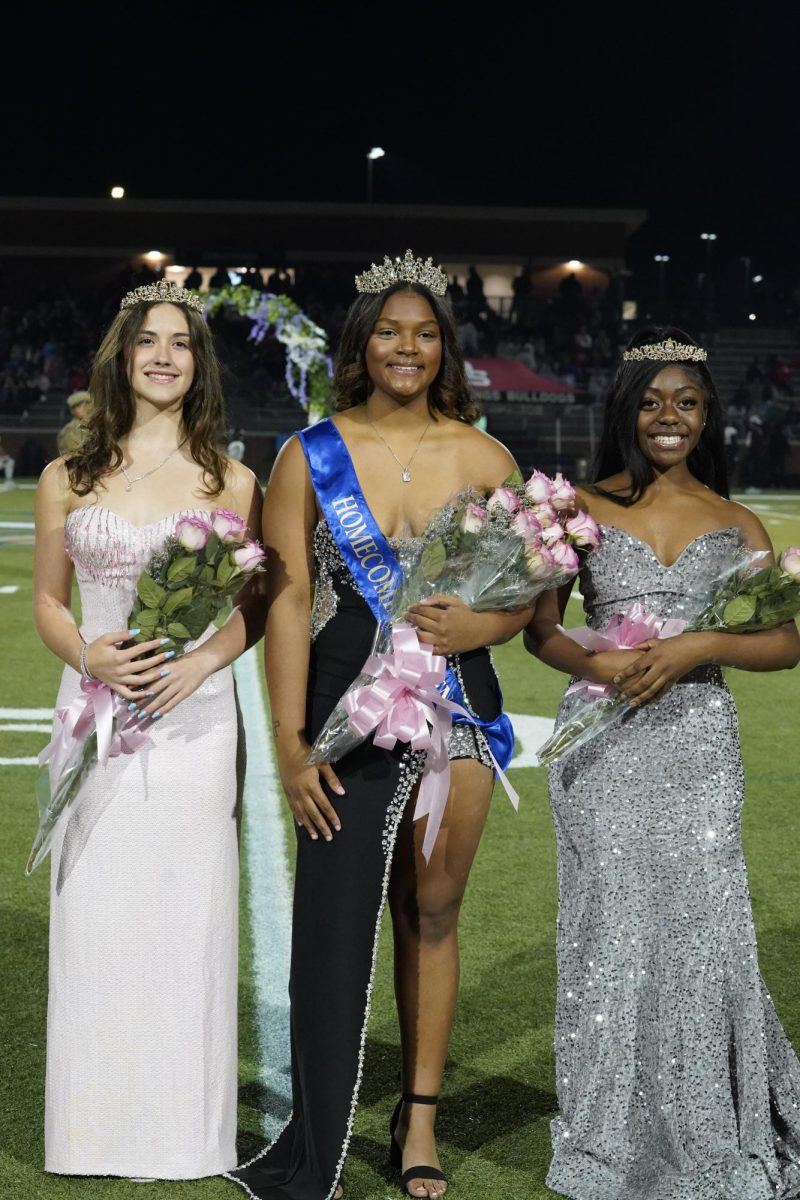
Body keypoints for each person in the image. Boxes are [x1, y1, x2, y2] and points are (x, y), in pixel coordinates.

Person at [228, 252, 532, 1200]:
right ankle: (318, 1122)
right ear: (361, 344)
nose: (408, 347)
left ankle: (419, 1120)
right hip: (341, 709)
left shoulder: (486, 458)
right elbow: (286, 600)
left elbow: (527, 592)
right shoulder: (307, 452)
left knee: (433, 911)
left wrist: (487, 623)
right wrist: (289, 741)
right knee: (333, 920)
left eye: (426, 331)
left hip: (457, 702)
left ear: (446, 347)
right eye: (390, 331)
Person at [526, 327, 800, 1199]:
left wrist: (700, 646)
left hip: (699, 748)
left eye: (685, 400)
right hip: (604, 744)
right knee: (612, 938)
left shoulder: (739, 520)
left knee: (702, 934)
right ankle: (609, 1131)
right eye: (651, 401)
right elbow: (541, 630)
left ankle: (709, 1120)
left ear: (708, 412)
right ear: (627, 411)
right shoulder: (579, 506)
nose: (668, 416)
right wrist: (600, 665)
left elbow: (786, 641)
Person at [34, 279, 266, 1181]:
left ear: (198, 365)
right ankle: (89, 1133)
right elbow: (50, 603)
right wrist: (91, 657)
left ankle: (185, 1136)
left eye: (180, 343)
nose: (164, 355)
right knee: (94, 916)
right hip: (92, 715)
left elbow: (252, 609)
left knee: (186, 916)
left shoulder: (233, 479)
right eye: (148, 342)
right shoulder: (67, 475)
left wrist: (201, 665)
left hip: (191, 723)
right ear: (122, 358)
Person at [56, 389, 93, 457]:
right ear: (72, 410)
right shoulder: (69, 430)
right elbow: (74, 455)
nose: (88, 407)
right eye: (79, 406)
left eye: (88, 403)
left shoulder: (101, 425)